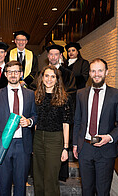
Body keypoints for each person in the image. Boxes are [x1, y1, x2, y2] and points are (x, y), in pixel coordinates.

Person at [73, 58, 118, 195]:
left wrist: (109, 137)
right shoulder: (80, 94)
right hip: (85, 148)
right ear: (90, 73)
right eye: (93, 71)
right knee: (86, 190)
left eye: (100, 70)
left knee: (103, 191)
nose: (96, 74)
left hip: (106, 149)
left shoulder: (117, 95)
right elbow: (77, 121)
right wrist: (75, 144)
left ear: (106, 72)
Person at [0, 60, 37, 196]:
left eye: (16, 71)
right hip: (2, 144)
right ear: (5, 74)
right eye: (10, 72)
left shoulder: (30, 94)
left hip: (23, 144)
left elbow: (35, 115)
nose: (13, 74)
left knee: (21, 185)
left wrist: (29, 121)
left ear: (21, 74)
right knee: (3, 184)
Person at [33, 65, 72, 196]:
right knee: (38, 178)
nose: (49, 79)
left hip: (55, 140)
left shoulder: (64, 98)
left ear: (57, 79)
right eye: (47, 76)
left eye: (53, 76)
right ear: (42, 78)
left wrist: (65, 148)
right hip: (38, 138)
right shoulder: (36, 96)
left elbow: (66, 124)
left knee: (50, 178)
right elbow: (35, 122)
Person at [46, 44, 76, 181]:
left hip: (61, 112)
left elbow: (71, 91)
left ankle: (60, 175)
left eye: (56, 54)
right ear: (48, 57)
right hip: (46, 115)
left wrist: (57, 98)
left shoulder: (68, 73)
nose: (53, 57)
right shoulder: (43, 72)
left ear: (60, 56)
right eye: (51, 54)